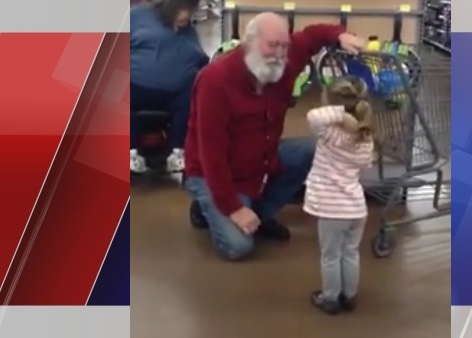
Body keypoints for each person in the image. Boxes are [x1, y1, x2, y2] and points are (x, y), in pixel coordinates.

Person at [184, 12, 366, 261]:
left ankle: (258, 215)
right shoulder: (215, 81)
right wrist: (233, 208)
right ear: (249, 42)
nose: (280, 53)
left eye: (284, 46)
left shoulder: (284, 63)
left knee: (314, 149)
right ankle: (210, 206)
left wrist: (340, 35)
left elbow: (311, 35)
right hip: (212, 171)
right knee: (238, 247)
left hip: (259, 161)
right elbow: (211, 154)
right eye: (272, 45)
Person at [303, 76, 374, 314]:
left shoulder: (330, 134)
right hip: (356, 208)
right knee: (350, 252)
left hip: (332, 209)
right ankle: (349, 296)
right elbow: (364, 166)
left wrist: (341, 113)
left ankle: (330, 298)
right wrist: (352, 113)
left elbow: (313, 116)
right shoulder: (365, 139)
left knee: (330, 256)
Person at [130, 0, 209, 173]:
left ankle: (177, 152)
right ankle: (130, 151)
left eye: (190, 10)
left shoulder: (189, 32)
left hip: (177, 92)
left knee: (195, 91)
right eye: (182, 10)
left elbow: (200, 58)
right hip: (134, 85)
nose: (186, 15)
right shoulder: (137, 17)